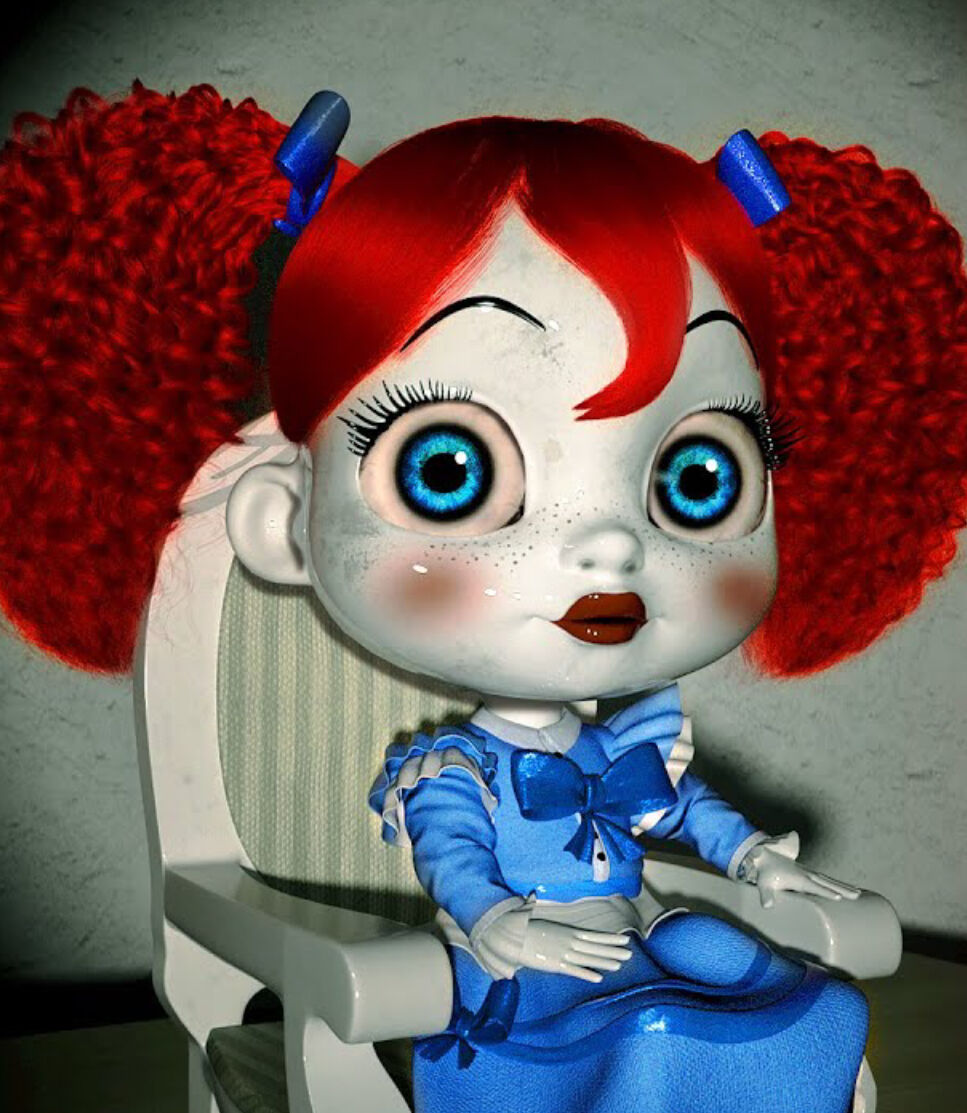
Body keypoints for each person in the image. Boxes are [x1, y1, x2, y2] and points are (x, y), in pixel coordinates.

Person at [2, 82, 966, 1112]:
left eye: (697, 476)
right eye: (450, 469)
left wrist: (757, 859)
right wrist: (496, 920)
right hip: (519, 979)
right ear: (284, 522)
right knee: (646, 1030)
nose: (610, 546)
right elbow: (454, 855)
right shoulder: (452, 770)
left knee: (741, 968)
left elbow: (680, 807)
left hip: (628, 945)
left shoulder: (614, 747)